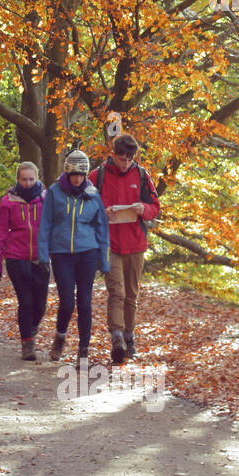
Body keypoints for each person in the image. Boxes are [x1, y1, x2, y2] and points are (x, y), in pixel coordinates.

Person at [89, 133, 162, 363]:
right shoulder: (97, 175)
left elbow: (155, 207)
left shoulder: (141, 175)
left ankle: (130, 337)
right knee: (116, 292)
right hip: (109, 243)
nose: (126, 163)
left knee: (131, 294)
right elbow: (84, 206)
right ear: (113, 155)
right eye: (122, 159)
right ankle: (117, 339)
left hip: (135, 243)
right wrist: (103, 211)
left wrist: (144, 209)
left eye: (130, 159)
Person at [37, 149, 110, 362]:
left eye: (81, 175)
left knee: (85, 302)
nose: (77, 179)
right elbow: (45, 224)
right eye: (74, 175)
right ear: (67, 173)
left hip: (88, 253)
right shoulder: (54, 192)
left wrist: (104, 261)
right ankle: (60, 338)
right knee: (67, 302)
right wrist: (43, 255)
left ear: (86, 175)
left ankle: (84, 350)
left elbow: (102, 230)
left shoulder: (93, 194)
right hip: (61, 254)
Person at [0, 161, 50, 361]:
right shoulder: (8, 201)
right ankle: (27, 344)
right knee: (25, 301)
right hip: (16, 257)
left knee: (40, 305)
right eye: (23, 179)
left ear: (37, 178)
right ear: (18, 179)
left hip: (41, 257)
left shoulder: (47, 198)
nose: (27, 183)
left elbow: (56, 227)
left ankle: (32, 328)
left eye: (31, 179)